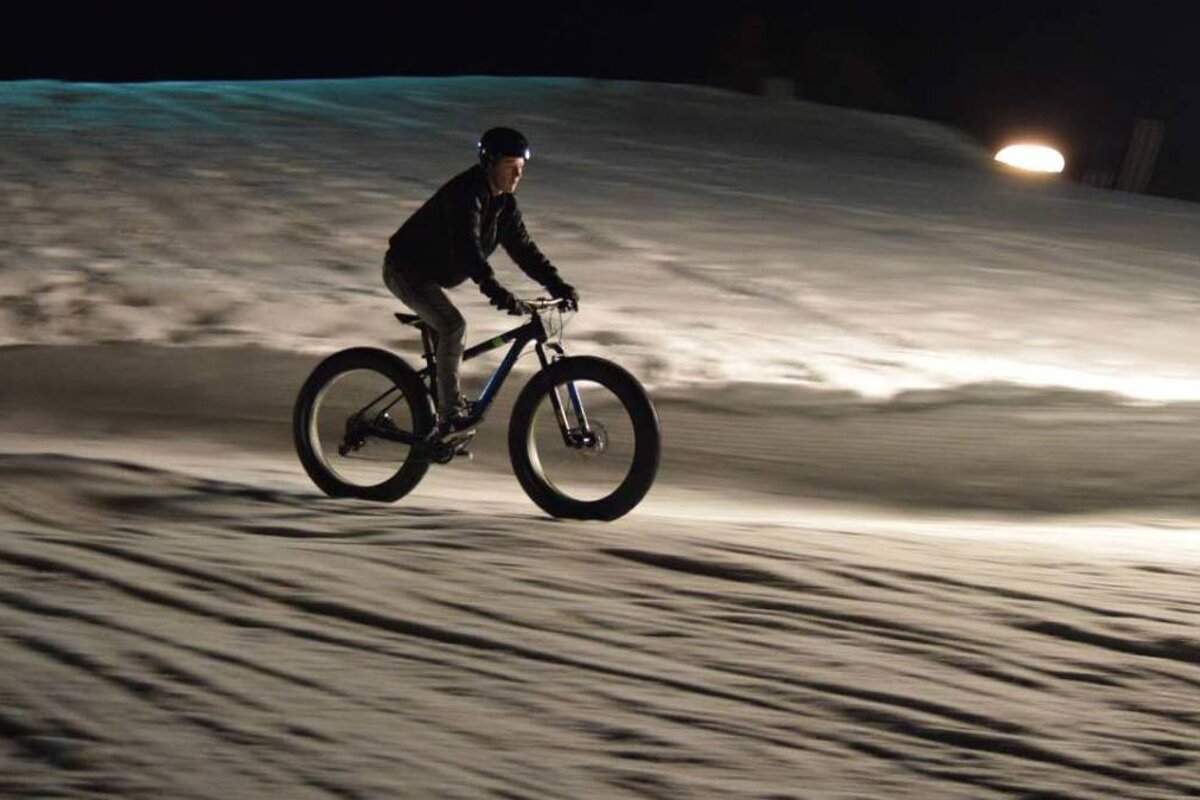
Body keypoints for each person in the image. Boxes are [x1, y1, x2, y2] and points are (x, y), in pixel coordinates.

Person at [382, 127, 579, 439]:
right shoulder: (466, 193)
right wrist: (494, 289)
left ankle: (438, 422)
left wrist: (557, 286)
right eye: (510, 166)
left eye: (521, 168)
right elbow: (466, 247)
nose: (517, 174)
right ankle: (449, 416)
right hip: (405, 268)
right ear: (489, 163)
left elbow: (525, 251)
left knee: (448, 338)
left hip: (432, 274)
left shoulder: (505, 206)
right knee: (452, 326)